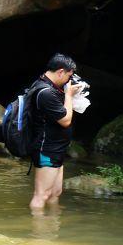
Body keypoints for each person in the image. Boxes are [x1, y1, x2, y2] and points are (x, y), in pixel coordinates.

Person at [29, 53, 82, 212]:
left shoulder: (51, 87)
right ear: (60, 72)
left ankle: (52, 229)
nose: (69, 80)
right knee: (42, 195)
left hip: (57, 148)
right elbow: (65, 120)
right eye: (68, 76)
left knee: (55, 193)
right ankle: (37, 234)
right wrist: (68, 96)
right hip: (47, 149)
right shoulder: (45, 92)